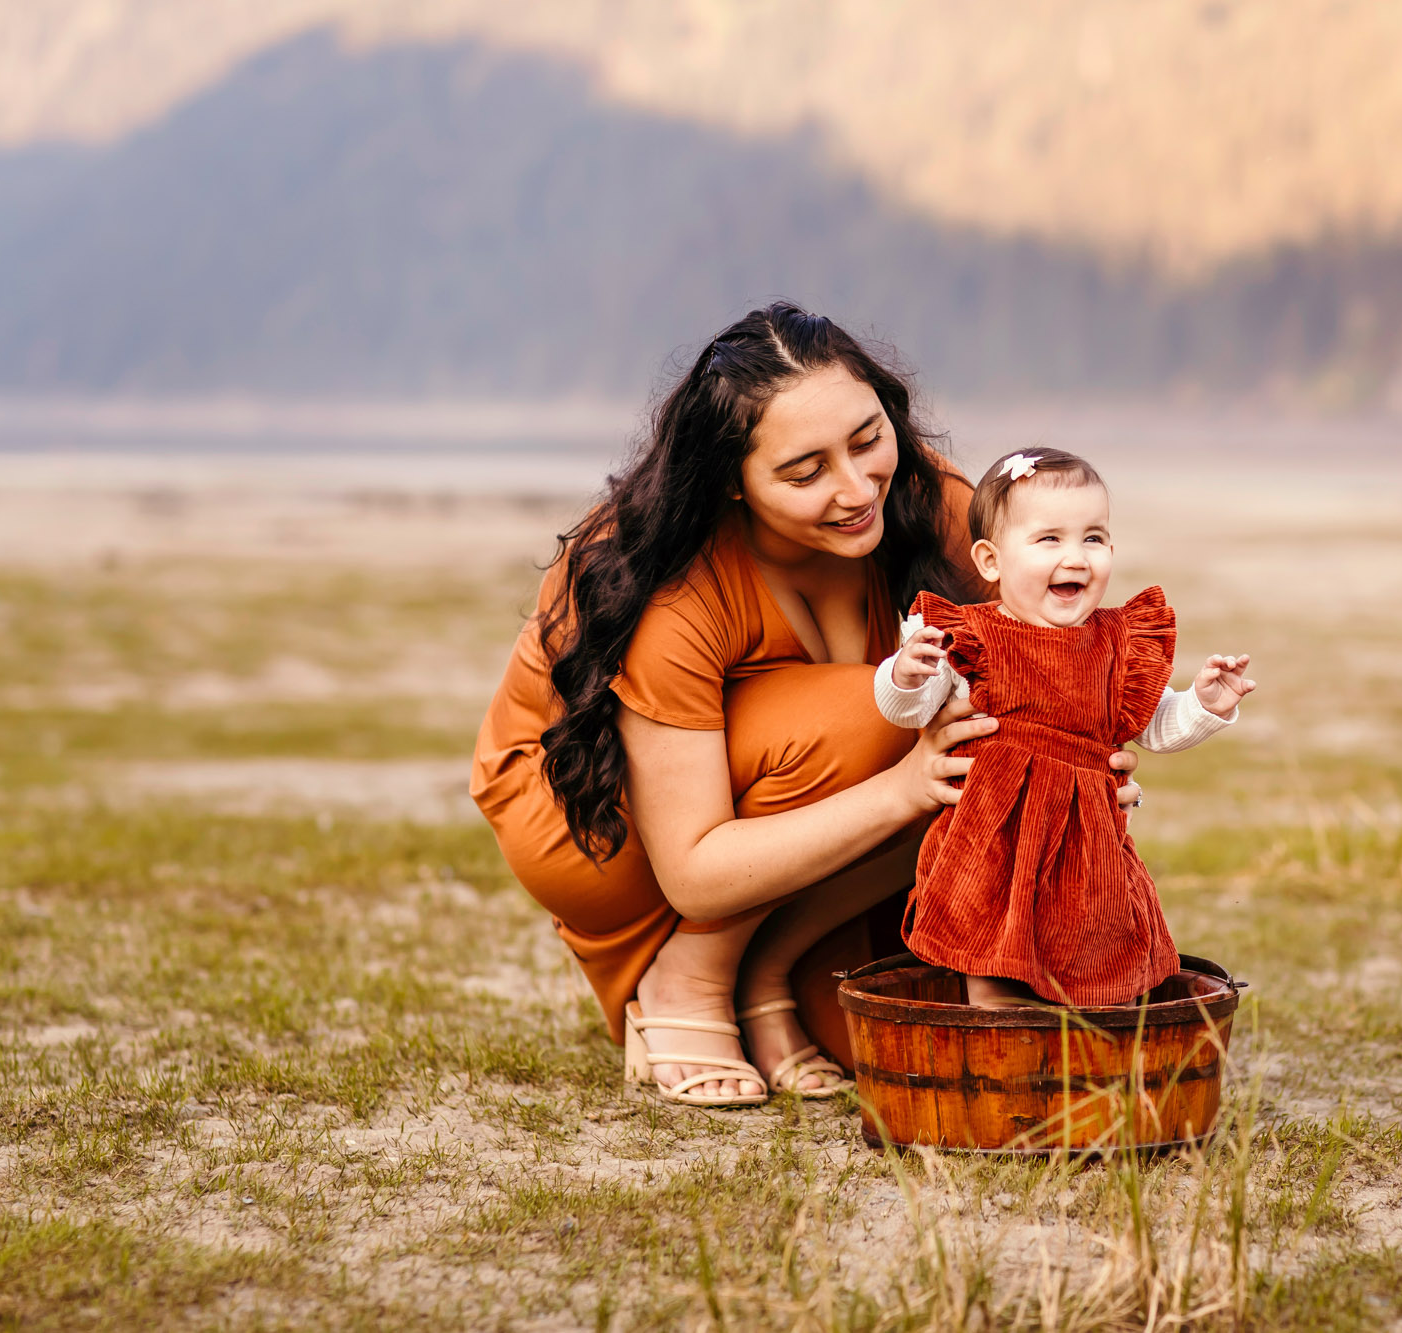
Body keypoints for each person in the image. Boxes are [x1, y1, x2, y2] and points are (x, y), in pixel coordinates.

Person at [470, 305, 1146, 1107]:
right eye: (804, 472)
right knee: (895, 713)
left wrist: (1090, 760)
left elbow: (1050, 656)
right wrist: (905, 791)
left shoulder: (934, 504)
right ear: (731, 479)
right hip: (598, 819)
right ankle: (692, 970)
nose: (856, 488)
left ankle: (768, 961)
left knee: (870, 1027)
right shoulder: (674, 581)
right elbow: (690, 868)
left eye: (867, 441)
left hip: (812, 799)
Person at [871, 447, 1254, 1008]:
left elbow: (1154, 726)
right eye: (1049, 539)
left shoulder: (1116, 642)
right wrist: (906, 675)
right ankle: (1005, 1049)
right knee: (993, 965)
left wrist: (1205, 703)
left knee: (1099, 962)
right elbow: (908, 711)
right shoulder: (968, 636)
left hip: (1088, 843)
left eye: (1093, 538)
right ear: (991, 560)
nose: (1076, 557)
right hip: (993, 842)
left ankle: (1092, 1059)